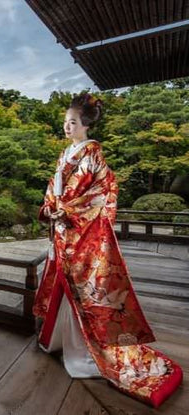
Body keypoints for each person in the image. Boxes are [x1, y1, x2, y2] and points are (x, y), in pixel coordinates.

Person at [33, 93, 182, 408]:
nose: (66, 127)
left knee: (88, 294)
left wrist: (67, 210)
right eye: (65, 122)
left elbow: (102, 192)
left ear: (85, 124)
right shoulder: (66, 154)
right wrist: (52, 207)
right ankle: (58, 340)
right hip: (63, 232)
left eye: (72, 122)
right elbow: (52, 189)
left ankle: (85, 352)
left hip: (80, 233)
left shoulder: (93, 155)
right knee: (65, 289)